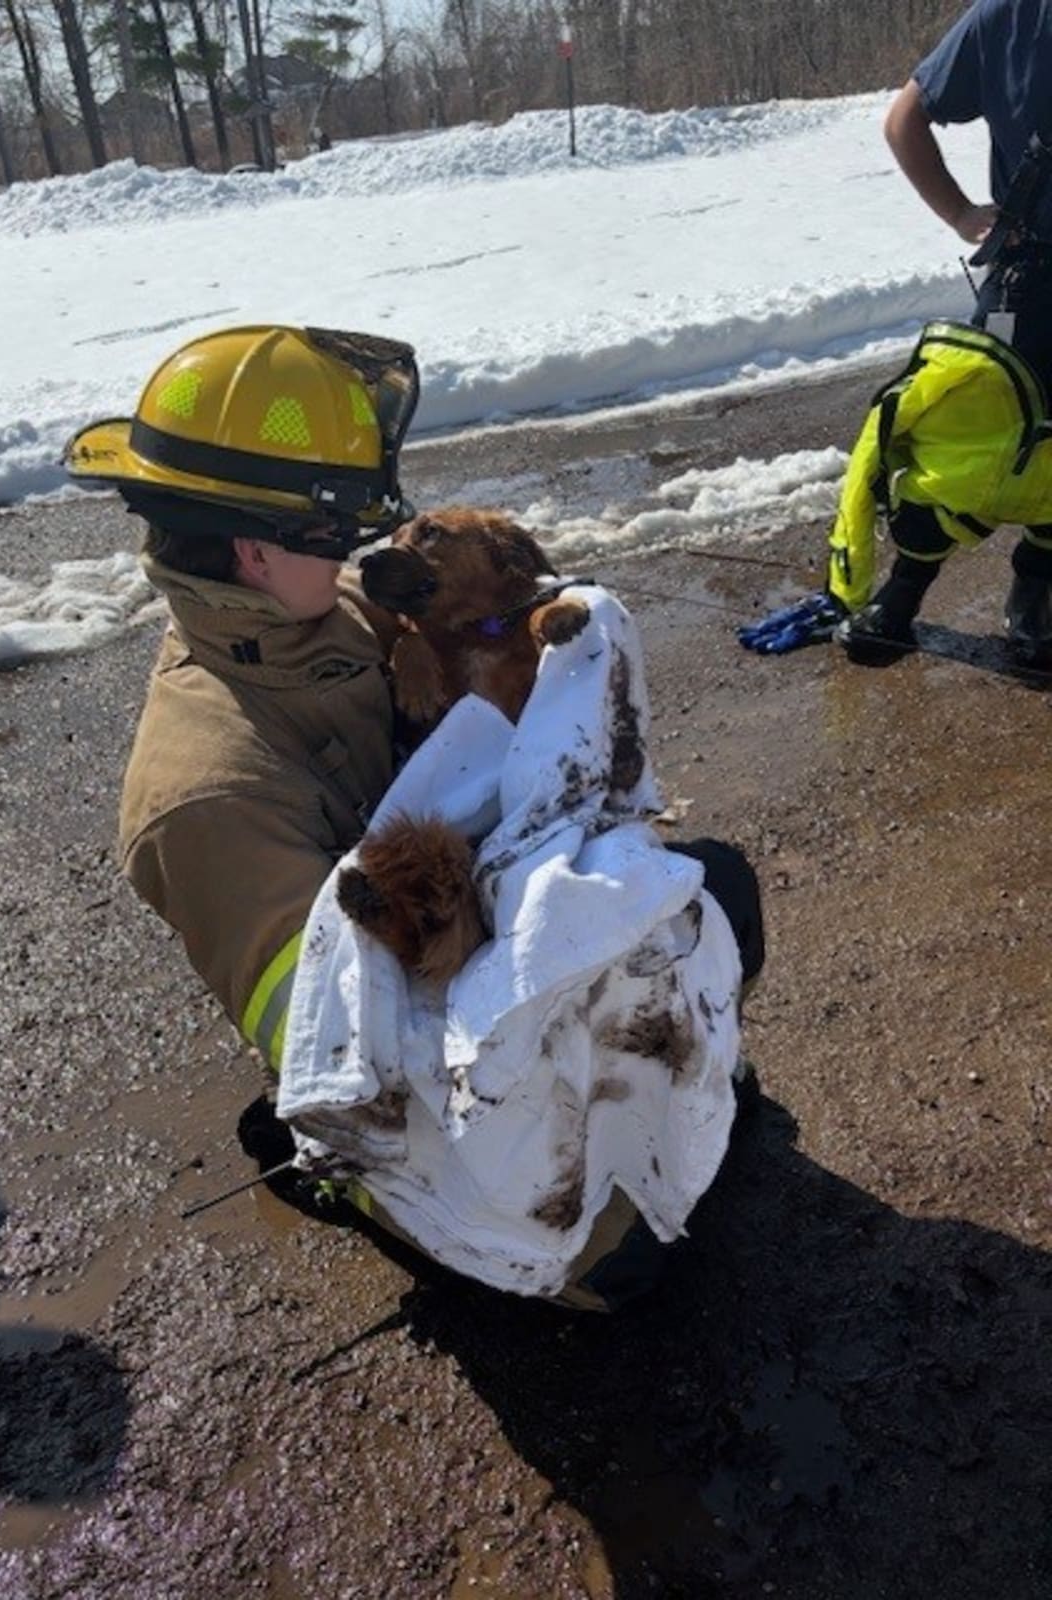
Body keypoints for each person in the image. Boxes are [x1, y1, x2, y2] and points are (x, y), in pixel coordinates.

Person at [66, 323, 765, 1312]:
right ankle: (341, 1178)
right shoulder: (202, 798)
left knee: (717, 893)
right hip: (415, 1036)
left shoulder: (331, 610)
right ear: (258, 549)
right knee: (621, 1262)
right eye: (335, 531)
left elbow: (485, 620)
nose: (362, 553)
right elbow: (363, 1029)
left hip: (493, 922)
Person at [838, 0, 1052, 664]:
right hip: (1028, 276)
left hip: (1026, 275)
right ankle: (907, 599)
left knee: (981, 441)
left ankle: (1028, 600)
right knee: (974, 443)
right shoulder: (1006, 17)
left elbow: (904, 119)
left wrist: (964, 215)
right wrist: (961, 214)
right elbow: (904, 119)